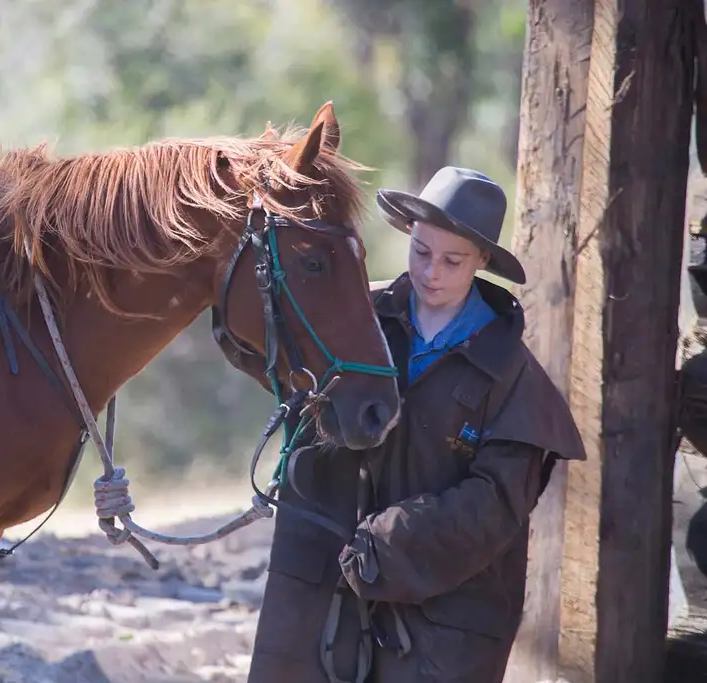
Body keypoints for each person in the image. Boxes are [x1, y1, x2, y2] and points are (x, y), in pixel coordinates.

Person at [245, 166, 586, 683]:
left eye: (453, 261)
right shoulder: (355, 326)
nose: (432, 273)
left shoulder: (514, 377)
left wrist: (385, 547)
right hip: (322, 602)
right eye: (422, 252)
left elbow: (493, 505)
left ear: (483, 262)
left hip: (448, 626)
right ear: (408, 234)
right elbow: (282, 364)